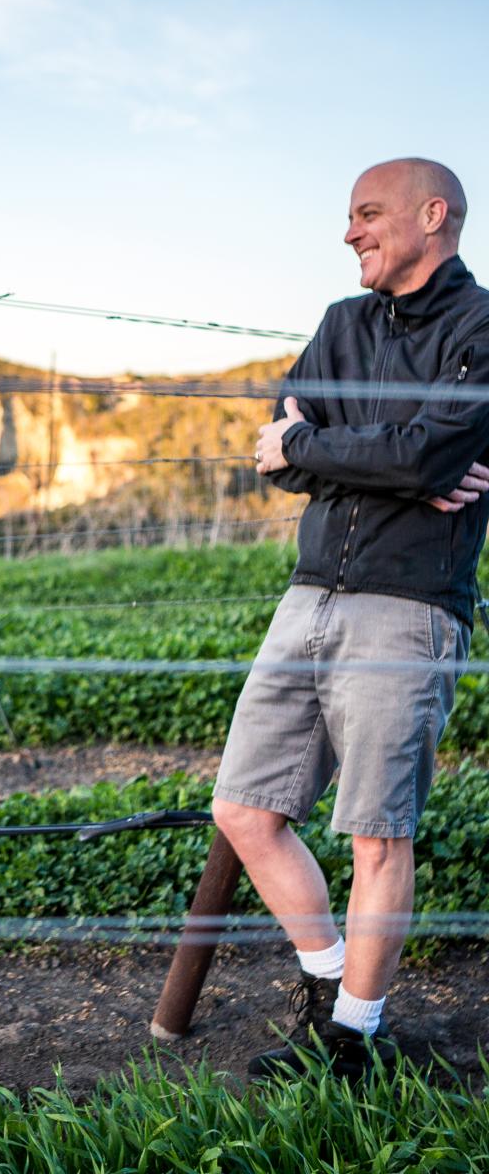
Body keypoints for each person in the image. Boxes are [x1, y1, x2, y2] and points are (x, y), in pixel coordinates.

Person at [212, 157, 489, 1080]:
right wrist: (372, 456)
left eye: (368, 214)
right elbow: (278, 454)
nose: (349, 232)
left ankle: (353, 1041)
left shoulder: (483, 327)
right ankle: (329, 989)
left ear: (432, 214)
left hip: (410, 610)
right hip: (307, 594)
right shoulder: (341, 323)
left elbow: (427, 456)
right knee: (246, 809)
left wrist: (329, 446)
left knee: (378, 832)